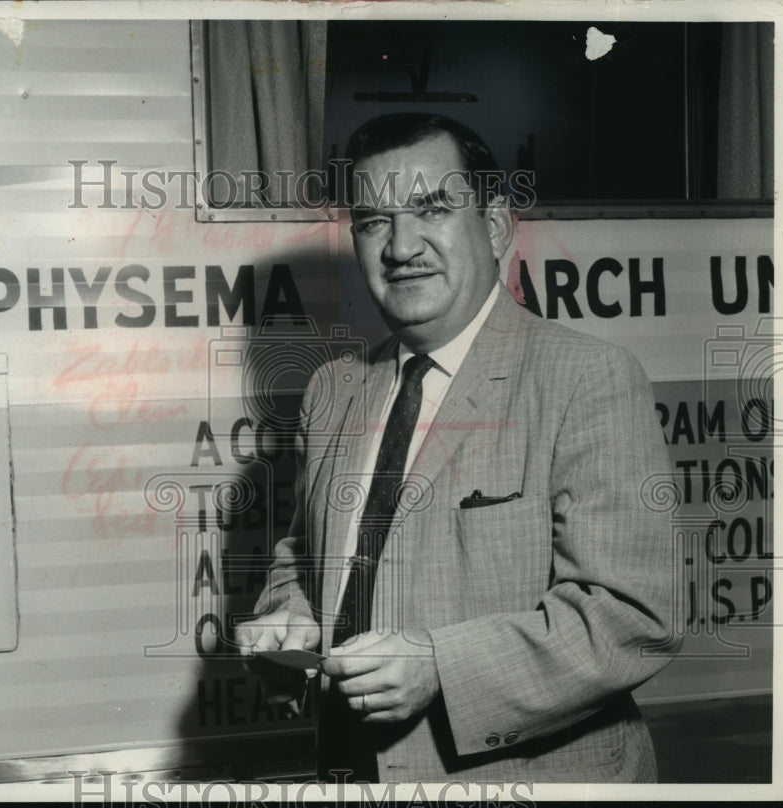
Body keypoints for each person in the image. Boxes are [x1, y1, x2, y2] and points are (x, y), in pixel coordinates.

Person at [234, 113, 680, 783]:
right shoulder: (333, 389)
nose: (401, 247)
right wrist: (288, 619)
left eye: (431, 208)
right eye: (374, 221)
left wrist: (442, 665)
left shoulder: (584, 378)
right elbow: (304, 556)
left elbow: (634, 615)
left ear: (496, 225)